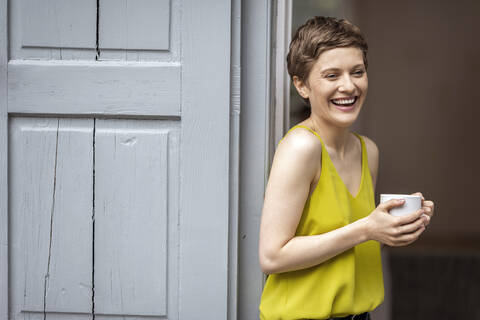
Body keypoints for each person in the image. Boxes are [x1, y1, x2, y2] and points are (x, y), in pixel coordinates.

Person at [258, 16, 435, 320]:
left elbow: (352, 246)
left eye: (357, 72)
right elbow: (272, 256)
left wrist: (392, 229)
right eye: (331, 75)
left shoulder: (368, 151)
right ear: (301, 85)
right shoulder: (301, 148)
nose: (348, 86)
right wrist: (366, 228)